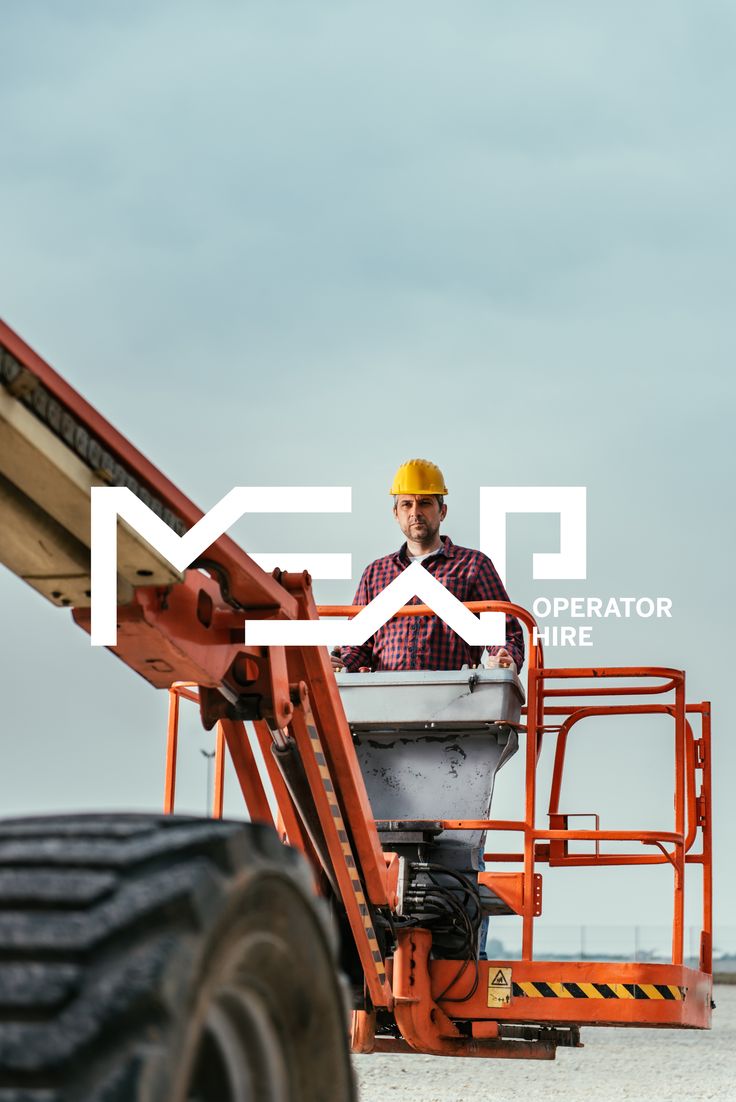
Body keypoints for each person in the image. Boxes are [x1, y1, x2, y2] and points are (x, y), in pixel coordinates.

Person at [333, 458, 524, 675]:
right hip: (385, 698)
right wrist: (343, 663)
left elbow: (505, 635)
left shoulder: (473, 566)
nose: (415, 512)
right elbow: (358, 645)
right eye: (406, 504)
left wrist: (504, 657)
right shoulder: (376, 574)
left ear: (442, 511)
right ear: (396, 513)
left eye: (425, 503)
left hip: (457, 699)